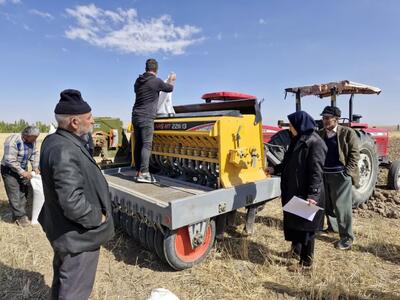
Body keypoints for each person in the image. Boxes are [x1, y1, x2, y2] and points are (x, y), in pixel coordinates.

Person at [39, 89, 114, 299]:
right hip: (77, 239)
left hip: (63, 232)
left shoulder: (53, 141)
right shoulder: (65, 150)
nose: (93, 121)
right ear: (74, 122)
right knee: (74, 291)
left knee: (64, 281)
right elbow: (72, 201)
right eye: (89, 118)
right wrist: (97, 218)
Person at [274, 111, 327, 270]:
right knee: (295, 223)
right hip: (294, 191)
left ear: (299, 125)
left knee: (307, 229)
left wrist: (313, 195)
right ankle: (295, 252)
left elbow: (316, 172)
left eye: (291, 125)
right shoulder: (298, 140)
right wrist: (273, 168)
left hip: (307, 192)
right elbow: (287, 163)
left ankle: (306, 263)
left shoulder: (315, 143)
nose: (290, 128)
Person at [319, 106, 360, 250]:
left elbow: (355, 154)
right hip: (325, 174)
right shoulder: (320, 133)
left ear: (336, 119)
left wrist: (347, 172)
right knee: (328, 205)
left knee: (342, 208)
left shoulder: (348, 133)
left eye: (327, 118)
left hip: (340, 176)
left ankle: (347, 238)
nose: (324, 120)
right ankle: (333, 228)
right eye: (323, 118)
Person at [132, 58, 176, 183]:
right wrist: (171, 80)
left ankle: (138, 171)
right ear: (156, 70)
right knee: (147, 145)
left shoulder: (138, 81)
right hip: (146, 117)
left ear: (146, 68)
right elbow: (169, 89)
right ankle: (144, 173)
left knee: (138, 144)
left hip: (135, 115)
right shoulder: (155, 81)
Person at [1, 126, 40, 227]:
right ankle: (21, 218)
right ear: (26, 135)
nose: (35, 140)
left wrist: (35, 167)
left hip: (22, 169)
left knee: (23, 192)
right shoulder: (13, 141)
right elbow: (10, 160)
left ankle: (17, 215)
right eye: (34, 138)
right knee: (14, 194)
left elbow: (35, 154)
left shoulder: (32, 141)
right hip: (9, 170)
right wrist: (23, 172)